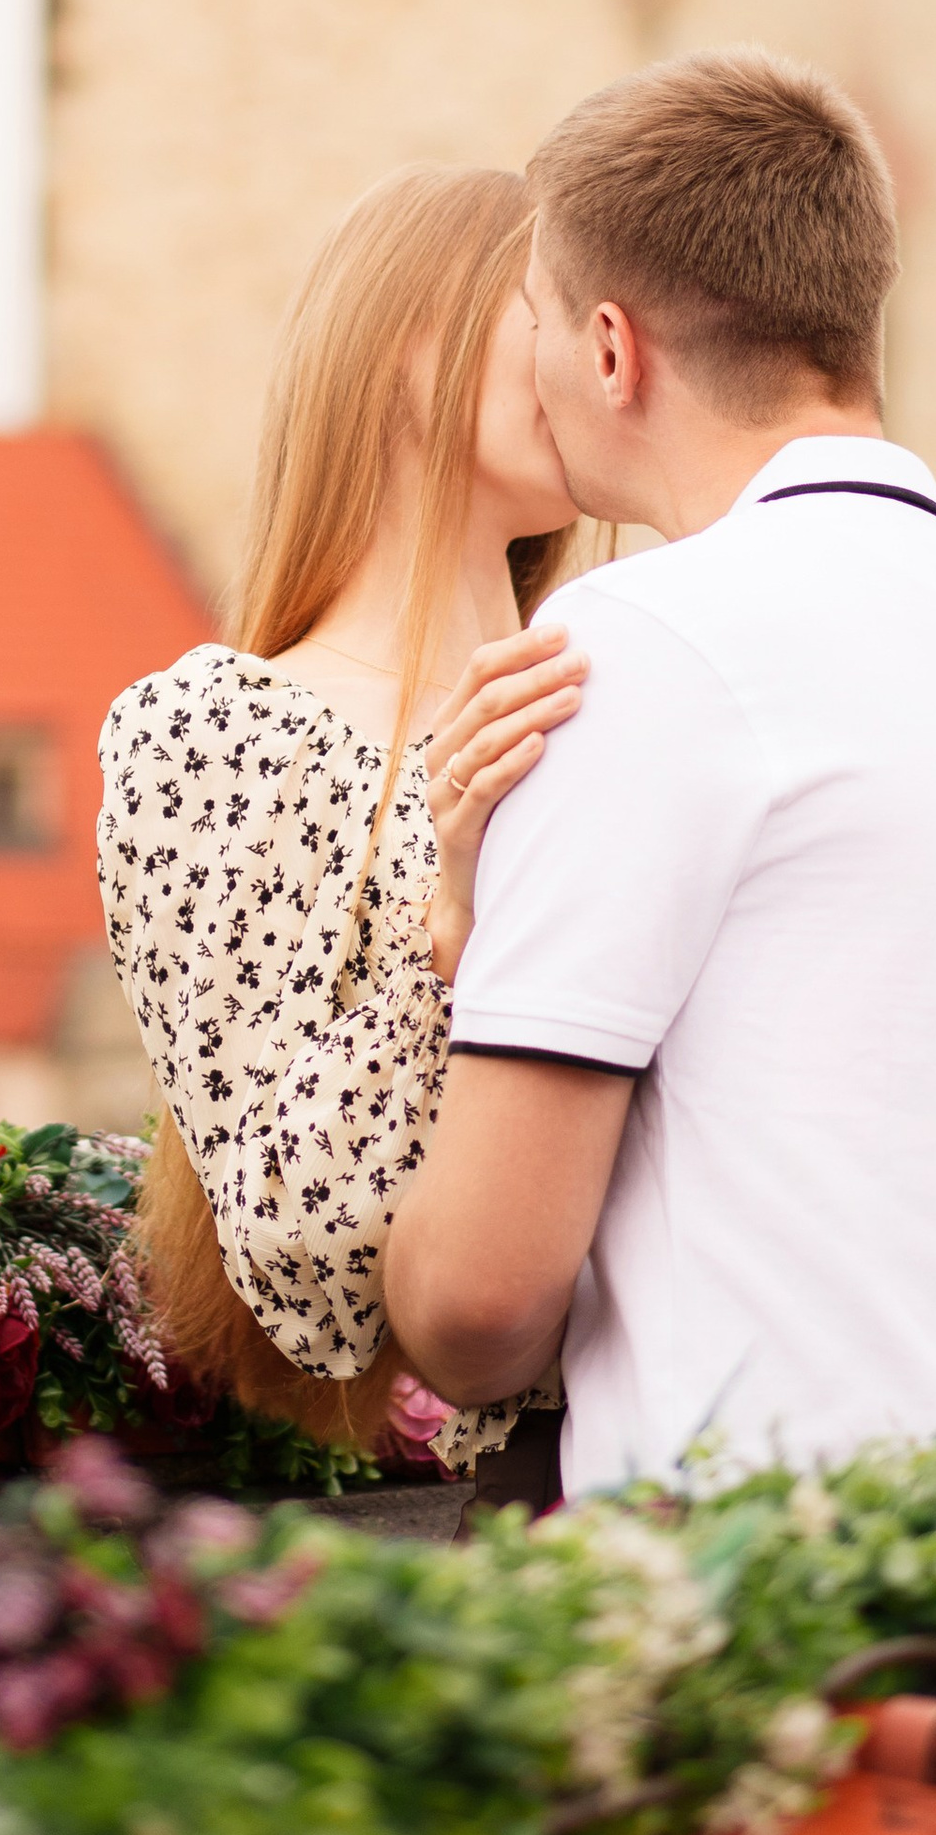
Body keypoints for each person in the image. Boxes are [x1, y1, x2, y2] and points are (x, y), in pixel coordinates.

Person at [383, 48, 936, 1495]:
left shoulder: (635, 647)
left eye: (539, 318)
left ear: (610, 350)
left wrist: (462, 938)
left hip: (768, 1573)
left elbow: (475, 1311)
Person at [94, 164, 591, 1459]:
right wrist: (454, 925)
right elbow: (294, 1243)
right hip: (546, 1464)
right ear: (412, 337)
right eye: (547, 302)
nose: (594, 348)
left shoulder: (630, 688)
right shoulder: (215, 734)